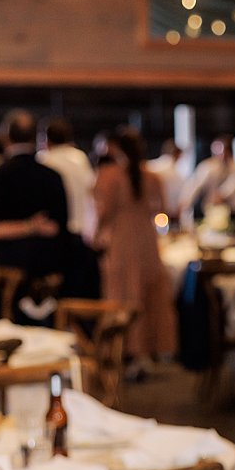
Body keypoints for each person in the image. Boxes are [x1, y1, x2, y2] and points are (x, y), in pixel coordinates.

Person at [94, 129, 177, 369]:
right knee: (147, 295)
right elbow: (161, 209)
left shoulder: (110, 176)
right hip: (146, 240)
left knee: (122, 296)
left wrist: (97, 236)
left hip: (122, 240)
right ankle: (145, 352)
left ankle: (124, 351)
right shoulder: (152, 177)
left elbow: (104, 212)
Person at [0, 110, 69, 318]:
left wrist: (20, 228)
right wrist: (32, 226)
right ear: (35, 138)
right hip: (46, 278)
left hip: (3, 276)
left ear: (5, 137)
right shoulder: (52, 177)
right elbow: (58, 228)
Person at [38, 117, 97, 244]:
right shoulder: (80, 158)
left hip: (54, 232)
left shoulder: (44, 160)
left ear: (47, 139)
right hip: (81, 229)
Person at [180, 135, 235, 228]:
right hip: (211, 212)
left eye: (224, 152)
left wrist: (221, 194)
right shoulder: (207, 168)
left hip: (233, 213)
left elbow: (233, 184)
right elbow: (194, 186)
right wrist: (185, 202)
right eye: (217, 152)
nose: (221, 156)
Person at [145, 139, 187, 223]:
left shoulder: (150, 166)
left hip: (152, 211)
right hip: (169, 213)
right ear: (177, 155)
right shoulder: (176, 174)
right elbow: (181, 198)